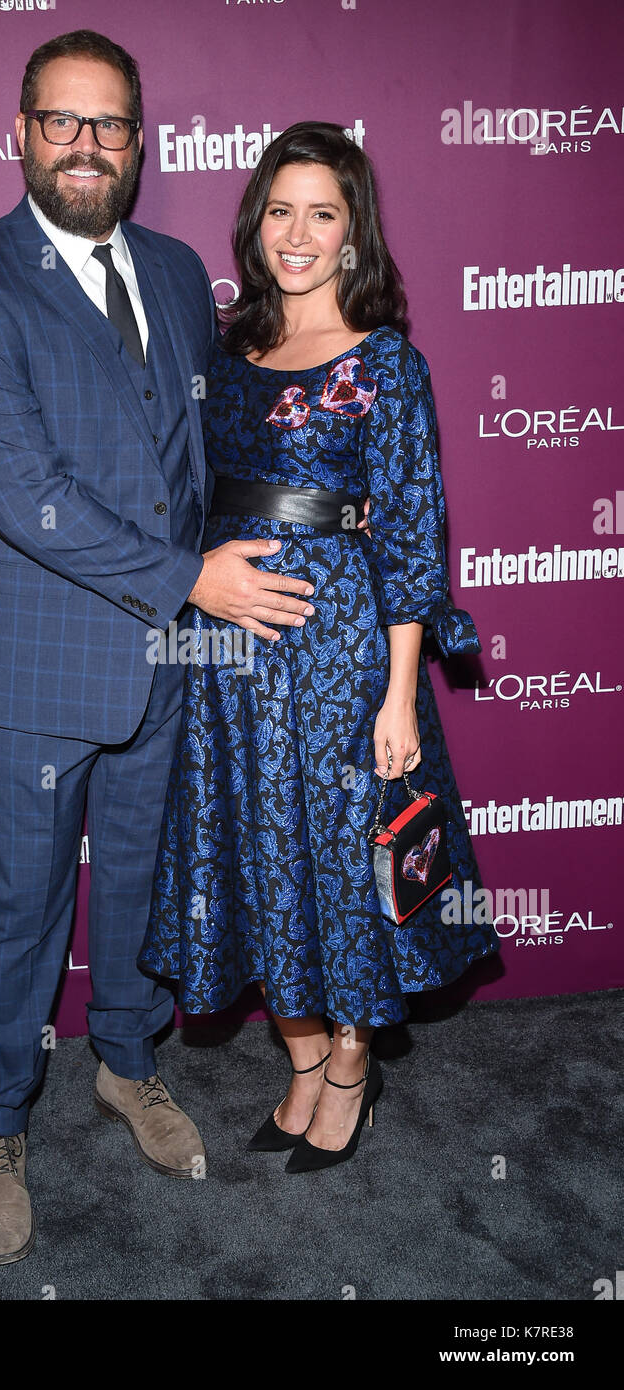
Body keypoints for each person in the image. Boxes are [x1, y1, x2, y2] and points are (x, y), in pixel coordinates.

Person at [0, 32, 316, 1263]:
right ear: (22, 133)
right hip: (40, 660)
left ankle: (127, 1065)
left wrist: (312, 548)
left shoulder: (182, 266)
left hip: (171, 662)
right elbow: (21, 487)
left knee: (143, 888)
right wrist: (188, 576)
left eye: (109, 125)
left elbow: (207, 458)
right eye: (61, 122)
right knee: (20, 907)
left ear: (139, 141)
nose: (87, 144)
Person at [139, 122, 501, 1175]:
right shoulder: (226, 351)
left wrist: (399, 696)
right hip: (228, 648)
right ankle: (298, 1055)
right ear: (255, 224)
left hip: (339, 645)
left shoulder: (386, 361)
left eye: (323, 213)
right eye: (280, 210)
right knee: (256, 849)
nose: (297, 233)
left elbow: (409, 527)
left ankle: (350, 1061)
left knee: (345, 858)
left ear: (354, 235)